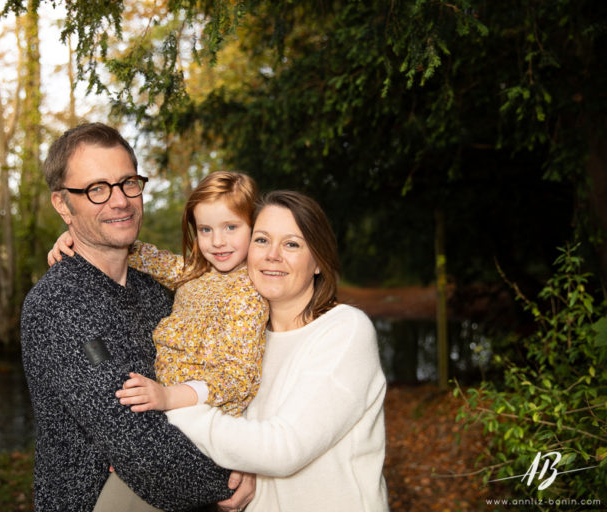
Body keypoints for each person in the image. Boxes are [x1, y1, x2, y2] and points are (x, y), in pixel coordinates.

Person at [20, 122, 251, 512]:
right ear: (63, 204)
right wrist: (232, 478)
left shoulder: (156, 288)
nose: (120, 201)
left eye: (128, 182)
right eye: (96, 189)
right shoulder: (59, 305)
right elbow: (139, 445)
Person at [166, 190, 390, 511]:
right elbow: (235, 435)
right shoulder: (243, 340)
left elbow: (282, 450)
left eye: (292, 244)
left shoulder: (344, 331)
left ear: (317, 262)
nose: (273, 255)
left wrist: (170, 404)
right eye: (261, 240)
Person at [50, 171, 269, 418]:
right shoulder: (193, 271)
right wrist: (79, 237)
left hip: (204, 412)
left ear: (255, 227)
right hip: (166, 400)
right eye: (206, 229)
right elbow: (147, 257)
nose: (217, 241)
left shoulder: (248, 294)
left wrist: (168, 397)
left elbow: (237, 378)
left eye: (231, 227)